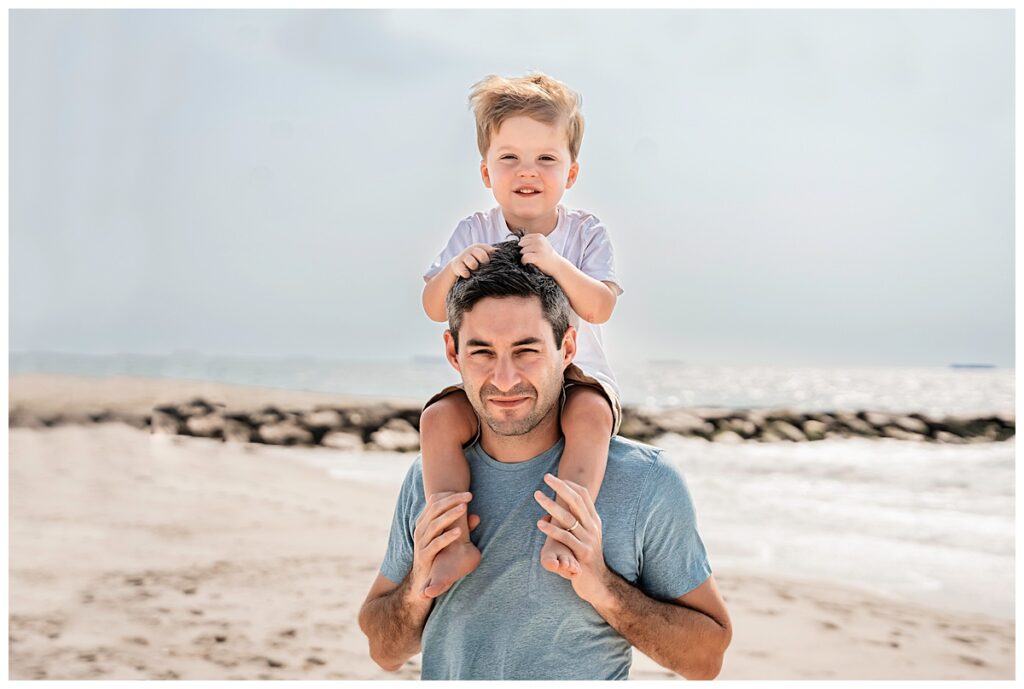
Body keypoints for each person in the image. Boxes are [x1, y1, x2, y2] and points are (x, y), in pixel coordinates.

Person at [358, 241, 732, 680]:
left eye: (526, 350)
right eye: (482, 352)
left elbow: (706, 659)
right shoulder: (428, 477)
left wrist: (605, 589)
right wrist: (418, 586)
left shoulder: (645, 482)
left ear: (568, 346)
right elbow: (384, 650)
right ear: (453, 353)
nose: (504, 379)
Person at [419, 72, 624, 597]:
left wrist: (557, 265)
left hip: (573, 376)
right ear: (486, 172)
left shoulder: (584, 233)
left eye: (546, 159)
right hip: (496, 382)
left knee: (592, 416)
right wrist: (453, 269)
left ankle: (566, 533)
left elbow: (599, 307)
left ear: (571, 172)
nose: (527, 172)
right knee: (439, 418)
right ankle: (452, 542)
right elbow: (430, 305)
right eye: (509, 158)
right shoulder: (473, 230)